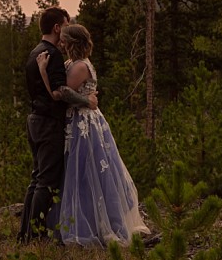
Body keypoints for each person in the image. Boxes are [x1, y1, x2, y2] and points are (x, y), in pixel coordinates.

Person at [36, 23, 149, 246]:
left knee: (85, 175)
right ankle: (80, 222)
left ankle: (93, 228)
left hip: (82, 125)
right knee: (78, 175)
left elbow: (60, 93)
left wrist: (42, 72)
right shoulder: (73, 63)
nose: (62, 43)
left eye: (65, 40)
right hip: (77, 122)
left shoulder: (80, 67)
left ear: (73, 43)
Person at [18, 7, 97, 244]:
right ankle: (37, 235)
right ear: (56, 28)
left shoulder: (35, 52)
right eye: (66, 24)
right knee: (46, 181)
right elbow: (60, 92)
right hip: (48, 124)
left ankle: (26, 233)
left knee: (37, 178)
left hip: (34, 120)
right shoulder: (51, 55)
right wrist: (88, 101)